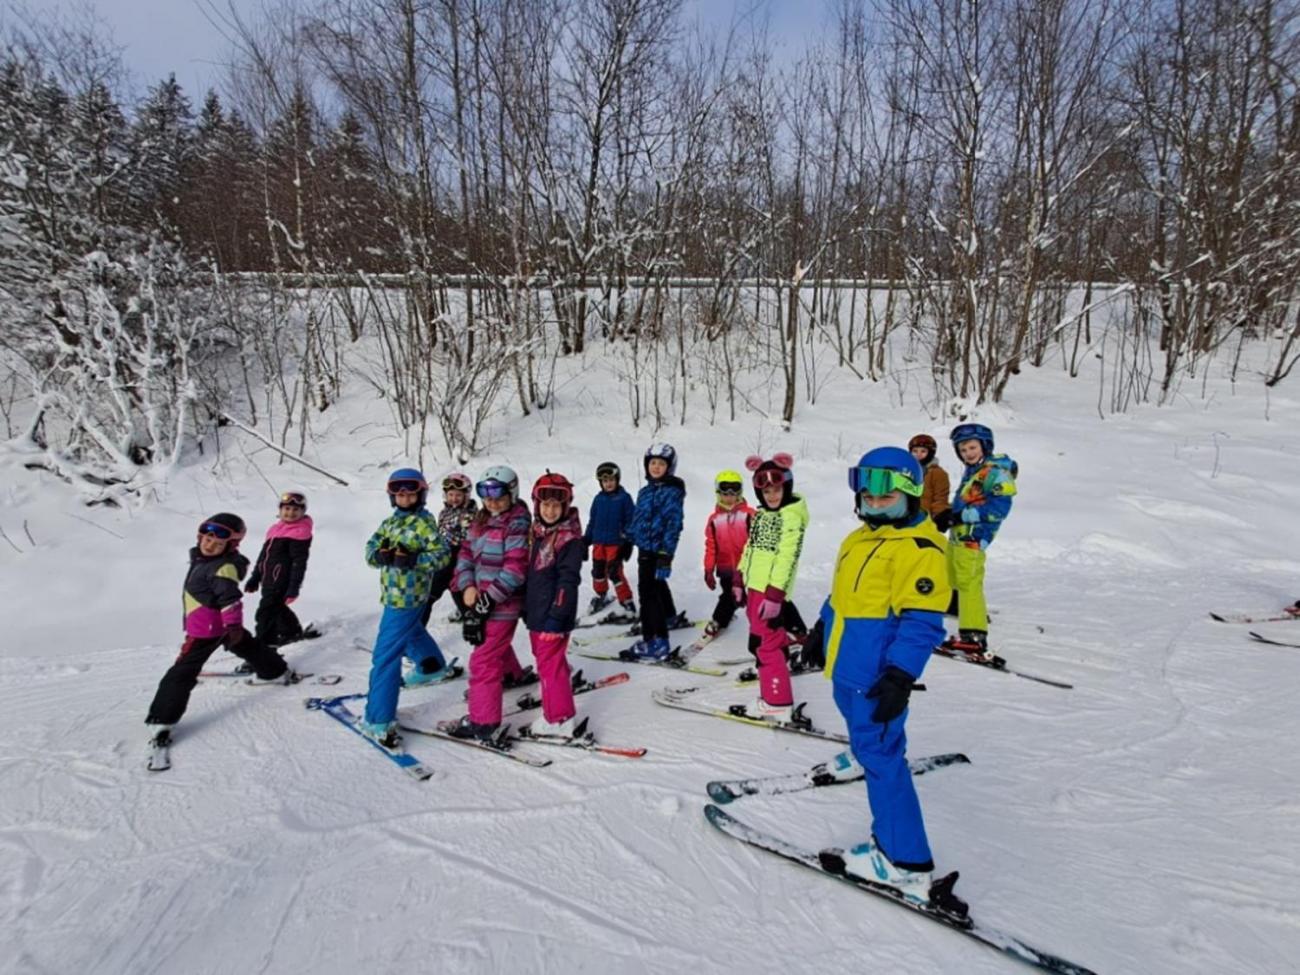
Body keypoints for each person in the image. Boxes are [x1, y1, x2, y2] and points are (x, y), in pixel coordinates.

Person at [815, 446, 965, 918]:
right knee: (869, 742)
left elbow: (922, 622)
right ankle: (864, 752)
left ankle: (904, 860)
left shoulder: (921, 550)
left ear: (910, 493)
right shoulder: (860, 539)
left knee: (884, 760)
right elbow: (841, 597)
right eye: (867, 494)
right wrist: (820, 628)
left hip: (877, 680)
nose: (874, 503)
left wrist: (900, 675)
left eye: (886, 496)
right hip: (847, 672)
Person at [144, 513, 292, 735]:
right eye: (207, 539)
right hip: (218, 626)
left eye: (218, 543)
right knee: (246, 645)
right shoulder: (205, 560)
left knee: (183, 670)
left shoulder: (221, 568)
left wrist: (232, 626)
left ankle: (162, 719)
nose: (210, 545)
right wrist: (232, 630)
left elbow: (230, 599)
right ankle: (276, 671)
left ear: (230, 545)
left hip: (206, 630)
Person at [356, 469, 454, 744]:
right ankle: (431, 665)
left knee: (385, 656)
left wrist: (413, 560)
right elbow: (370, 550)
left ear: (419, 495)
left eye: (410, 494)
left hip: (408, 597)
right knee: (412, 633)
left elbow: (441, 556)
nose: (404, 498)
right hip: (393, 595)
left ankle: (379, 719)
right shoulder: (390, 523)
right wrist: (380, 554)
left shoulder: (424, 524)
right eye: (399, 494)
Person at [448, 465, 535, 739]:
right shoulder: (480, 520)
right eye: (486, 496)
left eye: (498, 495)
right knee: (492, 644)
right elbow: (465, 553)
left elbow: (515, 571)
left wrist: (485, 602)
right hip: (481, 596)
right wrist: (467, 586)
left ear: (512, 492)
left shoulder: (517, 524)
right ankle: (511, 675)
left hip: (504, 602)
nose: (492, 502)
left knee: (483, 659)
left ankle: (483, 723)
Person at [931, 423, 1018, 660]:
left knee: (969, 583)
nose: (967, 453)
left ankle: (974, 637)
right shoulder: (973, 471)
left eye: (972, 447)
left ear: (984, 446)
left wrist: (960, 516)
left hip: (974, 538)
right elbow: (969, 501)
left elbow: (998, 509)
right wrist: (947, 516)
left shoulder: (996, 472)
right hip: (959, 536)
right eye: (963, 449)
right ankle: (945, 624)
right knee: (952, 578)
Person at [735, 453, 809, 720]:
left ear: (786, 487)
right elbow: (750, 548)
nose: (772, 496)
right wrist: (738, 578)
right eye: (766, 491)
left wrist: (776, 594)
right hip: (754, 587)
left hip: (769, 591)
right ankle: (774, 668)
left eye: (777, 489)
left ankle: (777, 700)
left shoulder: (791, 518)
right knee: (762, 636)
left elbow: (787, 558)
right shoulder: (763, 515)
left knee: (767, 644)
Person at [522, 472, 586, 738]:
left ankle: (559, 718)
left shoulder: (568, 539)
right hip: (537, 613)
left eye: (556, 505)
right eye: (545, 504)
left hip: (553, 615)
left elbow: (567, 582)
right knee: (545, 658)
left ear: (565, 506)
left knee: (549, 665)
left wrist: (557, 618)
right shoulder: (537, 533)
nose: (550, 510)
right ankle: (559, 684)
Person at [622, 443, 687, 660]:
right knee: (656, 587)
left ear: (670, 467)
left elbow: (673, 524)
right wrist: (628, 539)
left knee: (648, 595)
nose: (656, 467)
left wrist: (666, 555)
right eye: (653, 463)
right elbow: (638, 519)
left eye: (661, 463)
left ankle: (656, 641)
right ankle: (668, 616)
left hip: (657, 552)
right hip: (644, 550)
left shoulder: (672, 492)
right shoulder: (645, 492)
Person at [244, 490, 313, 649]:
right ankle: (291, 631)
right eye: (287, 509)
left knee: (265, 613)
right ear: (280, 510)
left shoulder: (300, 532)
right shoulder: (276, 529)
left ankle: (264, 647)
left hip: (281, 580)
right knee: (277, 607)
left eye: (296, 510)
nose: (290, 513)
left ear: (303, 512)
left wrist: (293, 588)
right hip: (269, 579)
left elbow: (299, 563)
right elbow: (264, 557)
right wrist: (255, 577)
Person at [702, 469, 755, 638]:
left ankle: (768, 626)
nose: (730, 495)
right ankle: (719, 620)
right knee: (728, 595)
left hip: (749, 566)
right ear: (718, 492)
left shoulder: (749, 515)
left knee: (754, 597)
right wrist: (708, 569)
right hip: (726, 567)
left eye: (734, 490)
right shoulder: (714, 520)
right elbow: (711, 546)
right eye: (725, 490)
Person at [422, 472, 478, 626]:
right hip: (443, 558)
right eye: (451, 494)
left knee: (456, 591)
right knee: (431, 595)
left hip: (460, 559)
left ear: (466, 495)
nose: (454, 498)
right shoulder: (444, 512)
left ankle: (472, 621)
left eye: (458, 495)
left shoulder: (470, 515)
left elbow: (473, 537)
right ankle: (416, 631)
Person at [584, 461, 636, 615]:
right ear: (601, 483)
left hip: (616, 543)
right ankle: (601, 594)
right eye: (605, 481)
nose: (608, 484)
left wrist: (628, 540)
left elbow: (631, 521)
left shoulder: (624, 498)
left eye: (611, 480)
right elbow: (592, 521)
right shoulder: (598, 499)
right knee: (598, 571)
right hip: (599, 543)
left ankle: (626, 600)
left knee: (615, 572)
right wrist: (586, 539)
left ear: (617, 480)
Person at [908, 434, 951, 521]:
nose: (918, 454)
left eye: (923, 451)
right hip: (906, 517)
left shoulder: (937, 473)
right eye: (915, 451)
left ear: (930, 453)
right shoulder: (906, 470)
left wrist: (938, 516)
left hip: (926, 519)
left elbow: (940, 498)